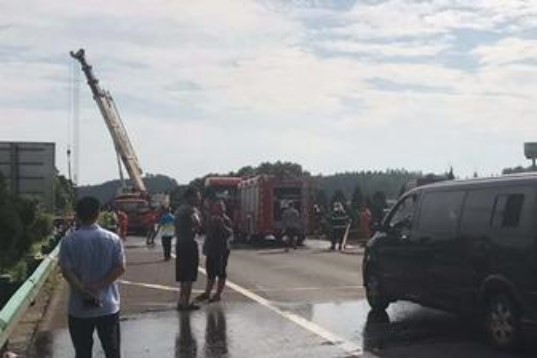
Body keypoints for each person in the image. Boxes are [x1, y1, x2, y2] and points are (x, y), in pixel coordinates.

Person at [58, 196, 126, 358]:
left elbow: (66, 271)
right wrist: (99, 285)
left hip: (79, 308)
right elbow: (120, 268)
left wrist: (83, 291)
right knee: (112, 350)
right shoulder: (113, 239)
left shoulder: (68, 241)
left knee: (82, 352)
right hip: (108, 305)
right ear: (98, 213)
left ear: (78, 214)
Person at [196, 200, 233, 303]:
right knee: (210, 271)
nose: (218, 209)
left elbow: (230, 233)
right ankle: (207, 292)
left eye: (221, 207)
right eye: (217, 206)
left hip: (222, 249)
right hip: (211, 249)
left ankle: (218, 294)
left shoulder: (225, 220)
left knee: (221, 271)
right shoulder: (210, 218)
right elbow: (205, 232)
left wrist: (222, 226)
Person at [174, 187, 202, 311]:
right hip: (189, 244)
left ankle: (181, 300)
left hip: (180, 243)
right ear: (190, 197)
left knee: (183, 275)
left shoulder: (179, 210)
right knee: (189, 276)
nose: (199, 199)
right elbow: (197, 223)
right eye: (197, 196)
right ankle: (186, 303)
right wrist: (197, 227)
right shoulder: (190, 210)